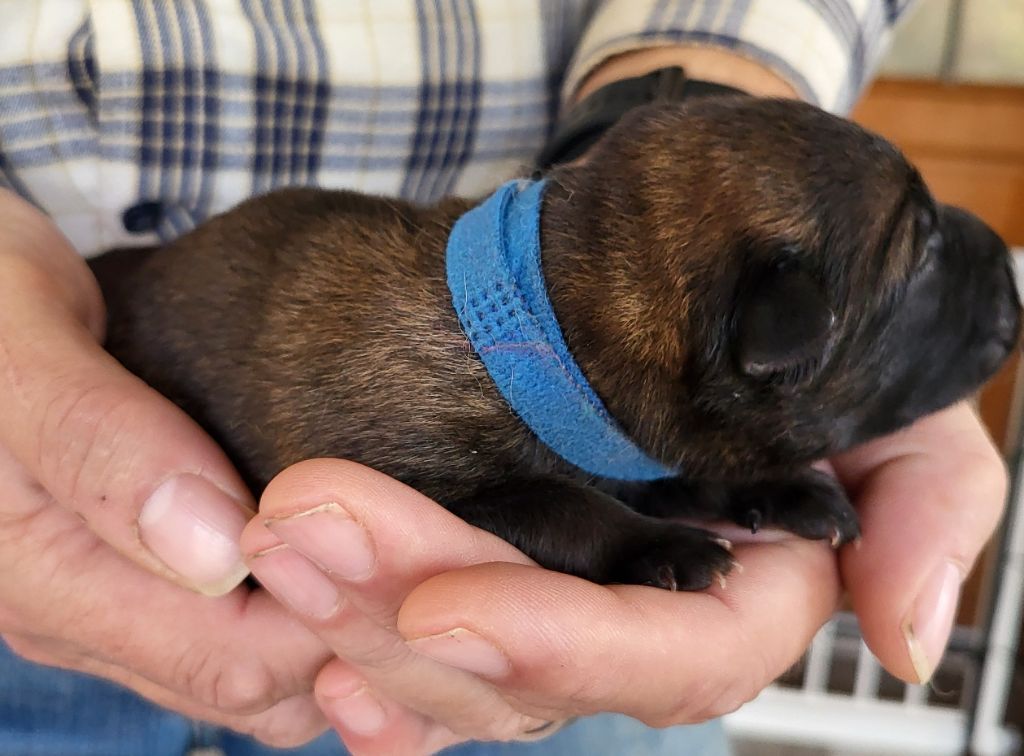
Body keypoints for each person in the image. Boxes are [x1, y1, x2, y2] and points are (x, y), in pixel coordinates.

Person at [0, 1, 1007, 754]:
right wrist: (623, 537)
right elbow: (471, 485)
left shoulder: (596, 359)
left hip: (536, 688)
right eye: (903, 265)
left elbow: (621, 423)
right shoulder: (405, 367)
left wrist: (716, 482)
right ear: (769, 336)